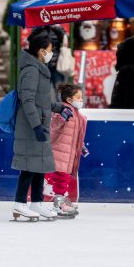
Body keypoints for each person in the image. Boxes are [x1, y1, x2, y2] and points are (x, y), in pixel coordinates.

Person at [11, 32, 67, 221]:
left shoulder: (40, 69)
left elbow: (42, 101)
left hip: (39, 124)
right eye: (50, 50)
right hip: (30, 126)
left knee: (39, 165)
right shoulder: (31, 70)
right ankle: (19, 204)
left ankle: (36, 202)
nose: (52, 53)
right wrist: (36, 126)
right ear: (41, 51)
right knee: (28, 166)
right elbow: (27, 101)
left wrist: (60, 107)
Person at [47, 83, 89, 219]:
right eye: (78, 97)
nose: (81, 100)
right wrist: (61, 117)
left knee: (65, 178)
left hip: (70, 153)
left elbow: (77, 134)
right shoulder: (63, 110)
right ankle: (58, 203)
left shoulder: (78, 115)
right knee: (61, 178)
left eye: (81, 97)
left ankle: (61, 200)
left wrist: (81, 145)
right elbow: (52, 127)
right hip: (59, 151)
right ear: (69, 100)